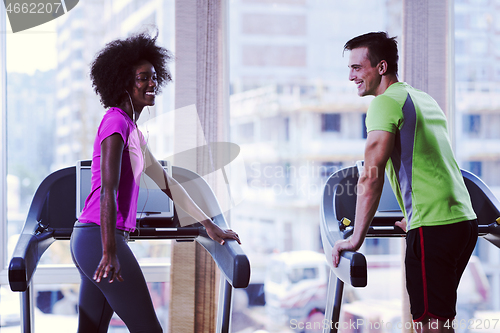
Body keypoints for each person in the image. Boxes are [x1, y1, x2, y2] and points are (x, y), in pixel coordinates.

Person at [70, 32, 241, 333]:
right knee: (149, 329)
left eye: (154, 77)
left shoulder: (132, 130)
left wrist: (208, 225)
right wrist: (109, 251)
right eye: (143, 78)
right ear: (124, 82)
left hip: (94, 239)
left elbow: (168, 183)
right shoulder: (115, 122)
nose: (153, 84)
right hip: (99, 238)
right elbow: (108, 190)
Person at [331, 32, 477, 333]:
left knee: (430, 326)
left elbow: (371, 175)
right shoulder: (422, 98)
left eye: (357, 67)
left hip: (434, 228)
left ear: (381, 67)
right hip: (463, 222)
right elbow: (431, 164)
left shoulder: (384, 104)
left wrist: (356, 237)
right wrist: (414, 216)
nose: (351, 76)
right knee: (440, 319)